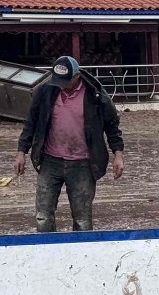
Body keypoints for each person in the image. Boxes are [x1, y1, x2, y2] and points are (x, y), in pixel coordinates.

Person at [14, 56, 124, 232]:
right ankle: (46, 252)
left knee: (82, 220)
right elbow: (31, 123)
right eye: (58, 81)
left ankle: (83, 254)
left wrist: (118, 155)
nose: (61, 85)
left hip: (83, 164)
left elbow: (112, 126)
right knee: (43, 215)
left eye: (65, 81)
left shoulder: (96, 95)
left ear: (77, 76)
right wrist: (21, 151)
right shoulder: (46, 91)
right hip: (50, 161)